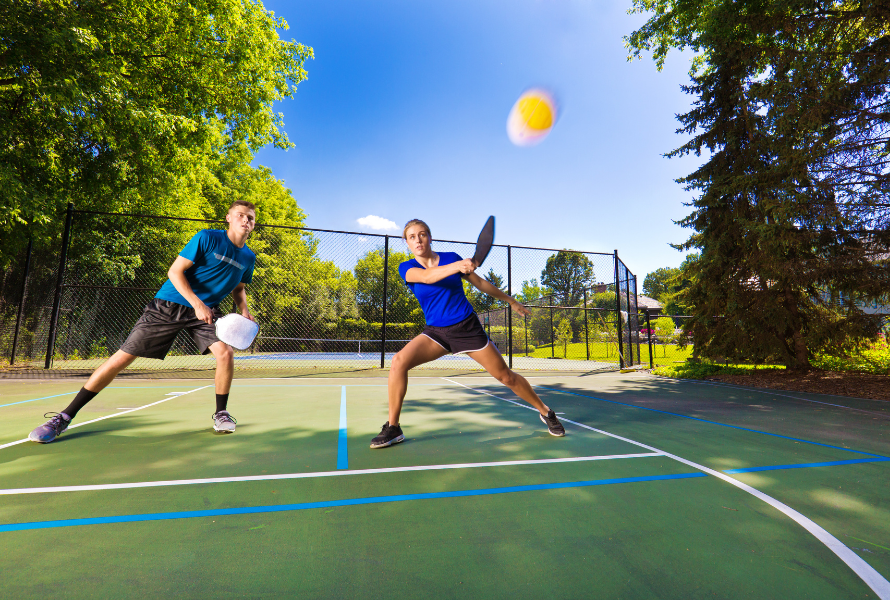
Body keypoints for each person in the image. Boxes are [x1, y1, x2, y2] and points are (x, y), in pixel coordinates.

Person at [28, 200, 258, 443]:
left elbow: (239, 286)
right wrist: (196, 303)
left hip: (206, 313)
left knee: (225, 354)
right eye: (241, 215)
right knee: (122, 358)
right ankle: (64, 417)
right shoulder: (207, 238)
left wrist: (244, 309)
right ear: (229, 218)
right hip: (170, 303)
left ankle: (221, 413)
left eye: (250, 218)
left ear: (253, 225)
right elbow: (175, 272)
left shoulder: (248, 257)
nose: (246, 220)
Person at [371, 219, 565, 449]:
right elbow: (427, 277)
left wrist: (510, 300)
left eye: (422, 234)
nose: (418, 240)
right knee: (398, 362)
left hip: (466, 328)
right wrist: (459, 266)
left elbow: (481, 283)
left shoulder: (452, 257)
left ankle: (545, 411)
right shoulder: (407, 268)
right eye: (412, 237)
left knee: (505, 377)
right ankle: (393, 427)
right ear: (407, 243)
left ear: (430, 237)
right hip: (436, 333)